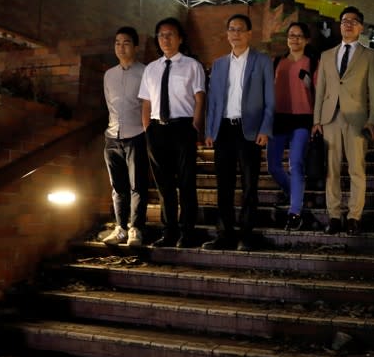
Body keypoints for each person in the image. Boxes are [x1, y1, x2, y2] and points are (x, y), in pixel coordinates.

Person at [202, 14, 275, 251]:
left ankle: (246, 234)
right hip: (223, 129)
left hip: (250, 131)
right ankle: (224, 234)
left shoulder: (262, 61)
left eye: (240, 29)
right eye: (231, 29)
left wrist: (265, 128)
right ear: (227, 34)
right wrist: (210, 129)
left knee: (249, 185)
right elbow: (212, 101)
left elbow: (270, 101)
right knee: (223, 185)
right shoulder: (220, 63)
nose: (235, 33)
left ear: (249, 34)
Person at [312, 6, 374, 236]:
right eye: (344, 21)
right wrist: (317, 119)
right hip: (330, 118)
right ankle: (334, 216)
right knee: (331, 170)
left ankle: (354, 217)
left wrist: (373, 120)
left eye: (353, 21)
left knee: (356, 169)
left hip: (357, 119)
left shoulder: (370, 55)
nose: (347, 24)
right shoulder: (327, 55)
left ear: (361, 27)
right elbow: (320, 89)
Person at [138, 17, 206, 248]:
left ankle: (187, 232)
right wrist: (148, 129)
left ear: (180, 38)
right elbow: (146, 102)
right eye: (161, 35)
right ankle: (169, 231)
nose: (165, 39)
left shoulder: (192, 65)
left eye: (170, 34)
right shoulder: (151, 69)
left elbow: (199, 98)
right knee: (164, 185)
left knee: (186, 183)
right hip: (157, 130)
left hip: (183, 127)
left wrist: (196, 128)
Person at [267, 22, 318, 231]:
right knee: (273, 166)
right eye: (291, 35)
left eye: (299, 36)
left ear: (306, 40)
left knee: (295, 163)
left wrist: (318, 121)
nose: (294, 39)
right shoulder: (277, 62)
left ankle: (295, 212)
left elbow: (319, 93)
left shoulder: (313, 63)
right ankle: (298, 196)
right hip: (278, 118)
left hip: (303, 119)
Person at [101, 26, 148, 247]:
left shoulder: (145, 72)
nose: (121, 47)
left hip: (137, 134)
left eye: (126, 42)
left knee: (137, 185)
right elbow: (110, 105)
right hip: (112, 136)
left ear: (136, 46)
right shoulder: (109, 75)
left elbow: (149, 105)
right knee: (117, 186)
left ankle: (136, 229)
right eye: (117, 43)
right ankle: (120, 228)